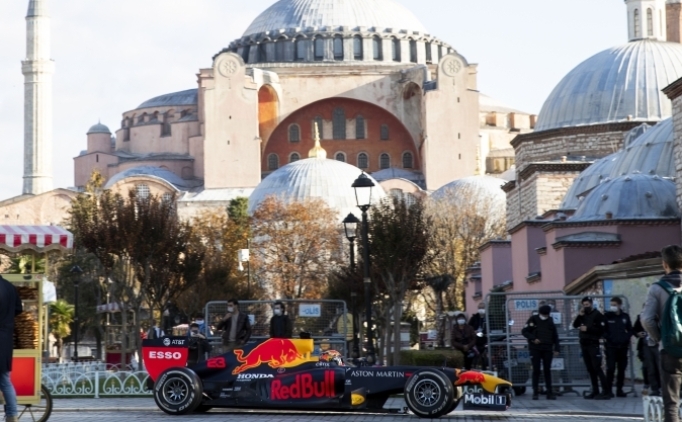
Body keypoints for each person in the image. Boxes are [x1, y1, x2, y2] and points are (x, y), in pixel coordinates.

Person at [642, 245, 682, 422]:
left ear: (664, 264)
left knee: (671, 404)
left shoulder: (657, 288)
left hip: (671, 349)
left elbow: (647, 320)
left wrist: (660, 338)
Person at [572, 296, 609, 400]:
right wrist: (579, 316)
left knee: (597, 368)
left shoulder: (598, 315)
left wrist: (588, 328)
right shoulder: (583, 315)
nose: (585, 307)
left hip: (593, 344)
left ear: (591, 304)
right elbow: (575, 325)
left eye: (587, 305)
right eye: (584, 305)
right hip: (584, 344)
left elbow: (601, 330)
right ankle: (595, 391)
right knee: (590, 369)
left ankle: (605, 391)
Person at [522, 305, 559, 400]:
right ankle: (535, 391)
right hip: (535, 348)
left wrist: (557, 348)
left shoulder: (550, 320)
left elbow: (555, 335)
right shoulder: (533, 319)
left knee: (547, 370)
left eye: (546, 315)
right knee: (536, 370)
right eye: (543, 315)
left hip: (547, 348)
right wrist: (533, 339)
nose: (545, 316)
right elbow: (524, 331)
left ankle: (549, 392)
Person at [0, 275, 23, 422]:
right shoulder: (9, 287)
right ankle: (12, 415)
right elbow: (18, 309)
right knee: (4, 380)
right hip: (5, 339)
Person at [604, 296, 633, 398]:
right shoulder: (607, 316)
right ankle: (608, 390)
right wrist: (608, 338)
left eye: (614, 305)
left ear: (620, 305)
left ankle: (619, 390)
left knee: (621, 369)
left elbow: (630, 329)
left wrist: (625, 338)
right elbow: (603, 330)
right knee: (610, 368)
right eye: (611, 305)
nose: (613, 307)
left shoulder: (625, 316)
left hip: (622, 347)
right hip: (611, 347)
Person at [634, 312, 661, 396]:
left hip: (657, 345)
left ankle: (665, 388)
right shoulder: (641, 317)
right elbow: (635, 329)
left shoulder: (658, 317)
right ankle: (654, 389)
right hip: (646, 345)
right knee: (650, 369)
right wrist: (637, 334)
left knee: (661, 368)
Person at [468, 302, 488, 370]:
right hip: (475, 342)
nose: (481, 309)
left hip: (485, 341)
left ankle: (485, 369)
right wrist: (474, 331)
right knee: (475, 357)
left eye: (482, 308)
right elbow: (468, 328)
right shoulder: (474, 318)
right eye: (479, 308)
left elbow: (493, 328)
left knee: (485, 358)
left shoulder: (489, 318)